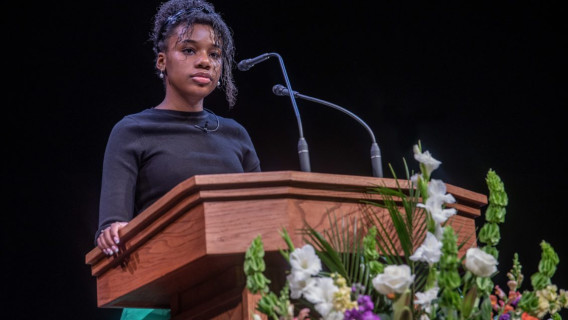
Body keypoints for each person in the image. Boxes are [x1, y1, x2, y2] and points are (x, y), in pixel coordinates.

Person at [94, 0, 260, 318]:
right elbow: (113, 225)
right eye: (189, 50)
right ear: (161, 61)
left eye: (214, 54)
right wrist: (113, 231)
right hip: (158, 298)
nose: (205, 62)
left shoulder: (235, 134)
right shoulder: (132, 130)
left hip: (235, 299)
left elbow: (260, 219)